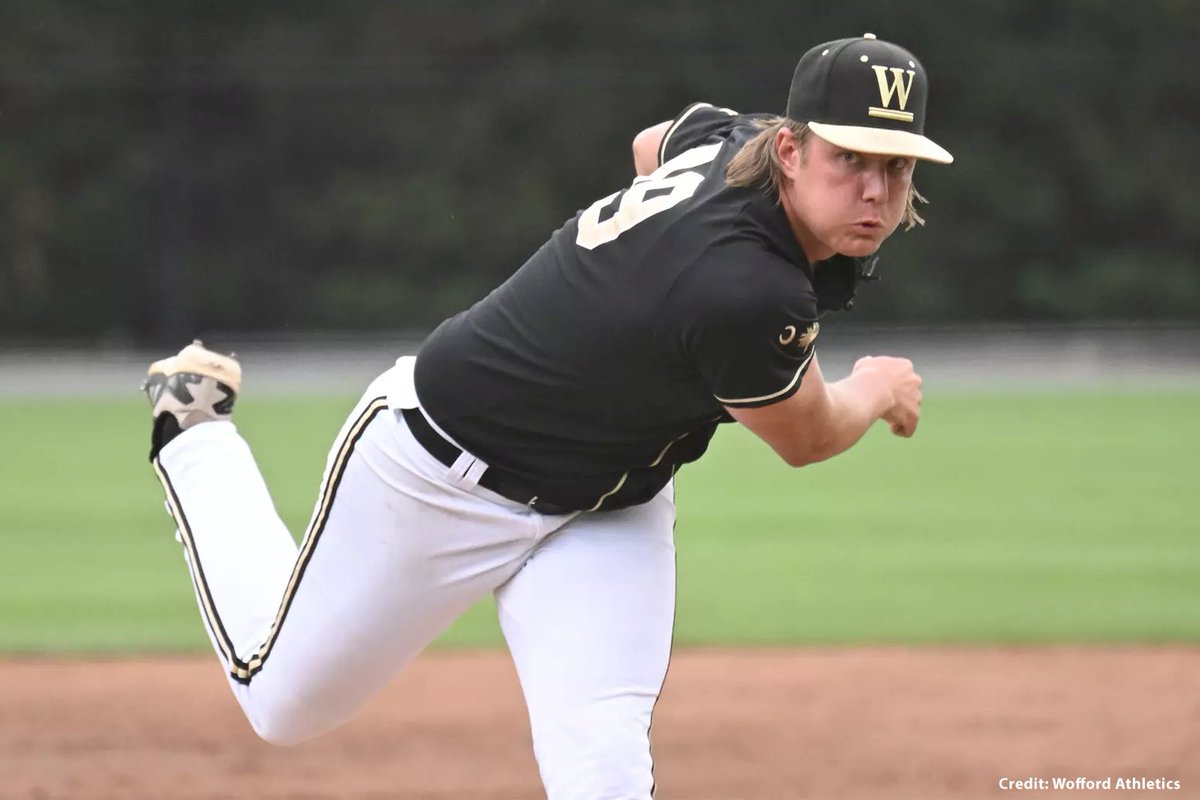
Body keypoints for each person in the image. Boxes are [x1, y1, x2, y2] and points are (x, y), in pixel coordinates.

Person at [142, 32, 952, 799]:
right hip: (439, 471)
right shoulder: (744, 288)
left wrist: (644, 291)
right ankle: (195, 437)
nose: (876, 190)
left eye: (897, 165)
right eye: (850, 158)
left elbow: (651, 142)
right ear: (791, 148)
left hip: (607, 507)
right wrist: (876, 385)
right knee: (284, 705)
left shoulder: (730, 143)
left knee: (601, 759)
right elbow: (808, 435)